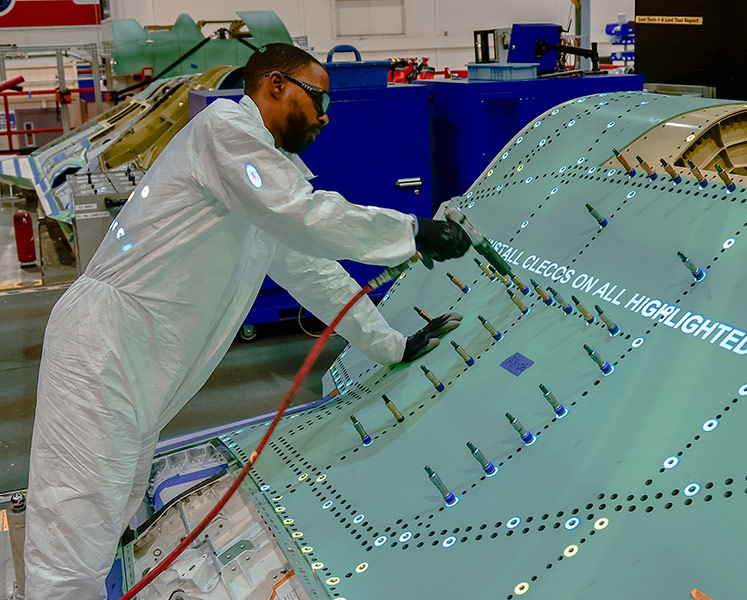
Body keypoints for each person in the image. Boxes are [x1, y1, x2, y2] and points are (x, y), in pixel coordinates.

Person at [24, 43, 470, 599]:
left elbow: (317, 275)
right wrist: (413, 232)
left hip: (137, 367)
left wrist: (392, 345)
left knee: (109, 518)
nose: (325, 116)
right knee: (72, 545)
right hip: (101, 353)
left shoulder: (254, 181)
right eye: (319, 98)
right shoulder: (225, 132)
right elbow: (305, 215)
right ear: (276, 84)